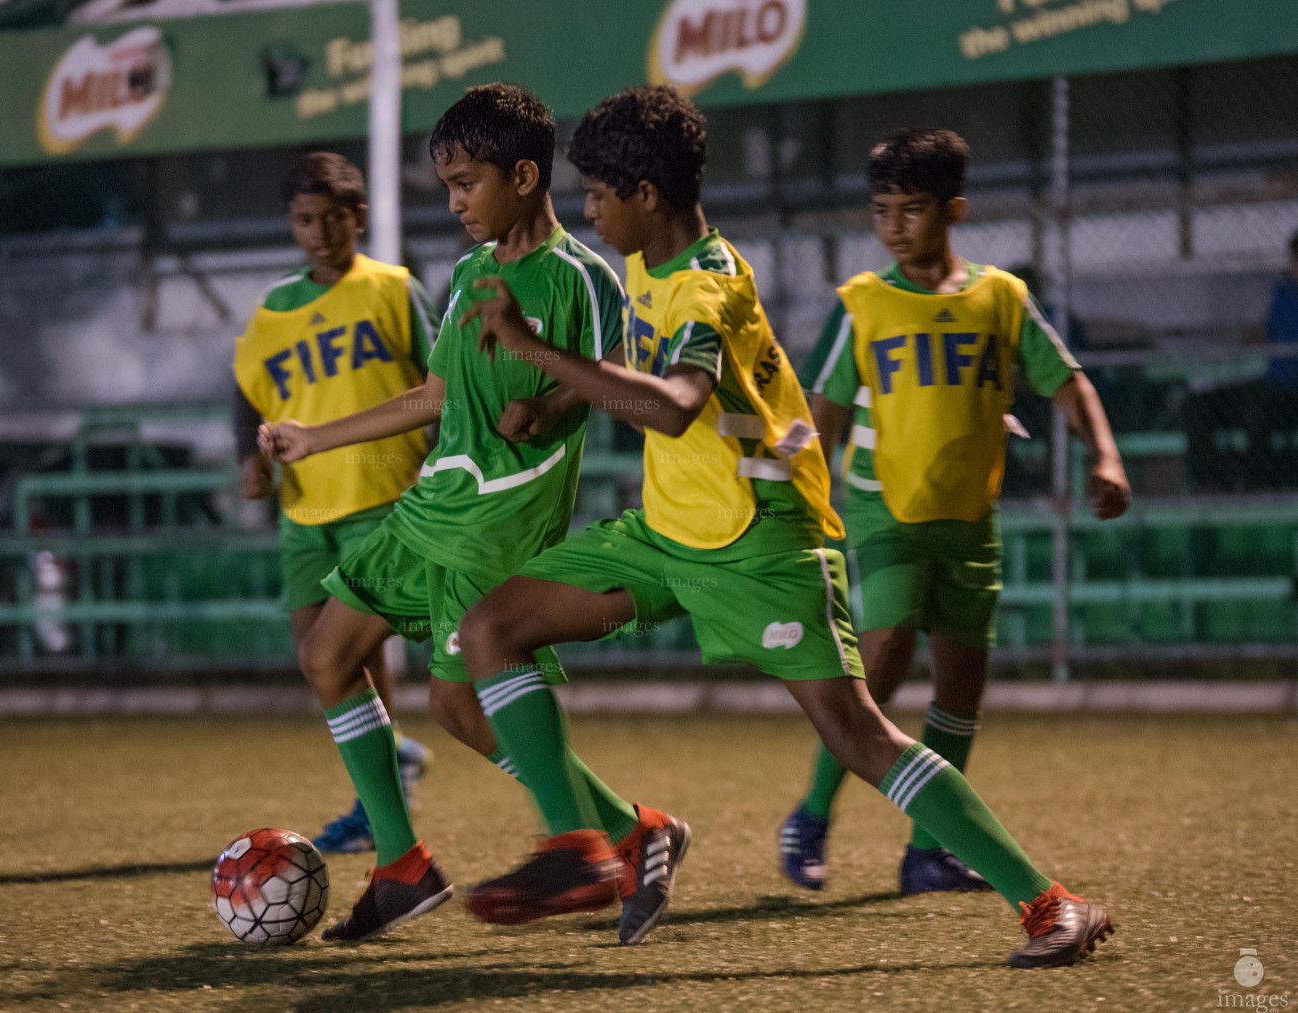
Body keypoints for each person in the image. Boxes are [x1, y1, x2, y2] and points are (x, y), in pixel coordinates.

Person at [456, 90, 1115, 967]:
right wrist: (557, 398)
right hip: (670, 531)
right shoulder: (654, 259)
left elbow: (678, 404)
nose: (587, 211)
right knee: (490, 628)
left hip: (757, 539)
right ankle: (581, 844)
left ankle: (1053, 903)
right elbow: (642, 368)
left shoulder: (705, 284)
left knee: (859, 734)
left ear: (645, 194)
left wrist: (534, 350)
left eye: (597, 196)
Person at [262, 84, 678, 943]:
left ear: (525, 175)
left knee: (459, 708)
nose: (454, 202)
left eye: (466, 182)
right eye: (445, 185)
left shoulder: (583, 276)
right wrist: (317, 437)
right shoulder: (469, 273)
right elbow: (434, 395)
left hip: (503, 520)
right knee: (328, 656)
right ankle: (402, 862)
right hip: (434, 504)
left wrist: (553, 406)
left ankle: (621, 834)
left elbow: (622, 383)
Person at [778, 127, 1131, 900]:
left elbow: (1068, 382)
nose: (894, 224)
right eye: (881, 210)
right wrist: (799, 494)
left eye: (911, 208)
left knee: (960, 690)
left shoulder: (1001, 298)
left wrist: (1105, 454)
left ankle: (927, 852)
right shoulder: (860, 305)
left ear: (955, 209)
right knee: (883, 660)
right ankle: (810, 816)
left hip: (972, 527)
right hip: (886, 517)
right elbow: (822, 412)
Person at [232, 152, 438, 854]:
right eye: (303, 220)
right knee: (317, 656)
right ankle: (394, 760)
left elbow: (443, 380)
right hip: (303, 509)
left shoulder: (393, 287)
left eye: (331, 218)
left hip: (382, 497)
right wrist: (249, 461)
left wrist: (440, 462)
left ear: (359, 216)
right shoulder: (273, 311)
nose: (318, 232)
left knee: (351, 652)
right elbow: (248, 392)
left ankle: (376, 804)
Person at [1184, 228, 1298, 490]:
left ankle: (1254, 486)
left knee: (1259, 412)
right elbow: (1266, 332)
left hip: (1291, 395)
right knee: (1198, 407)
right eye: (1293, 259)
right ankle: (1209, 486)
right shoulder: (1284, 293)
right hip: (1273, 385)